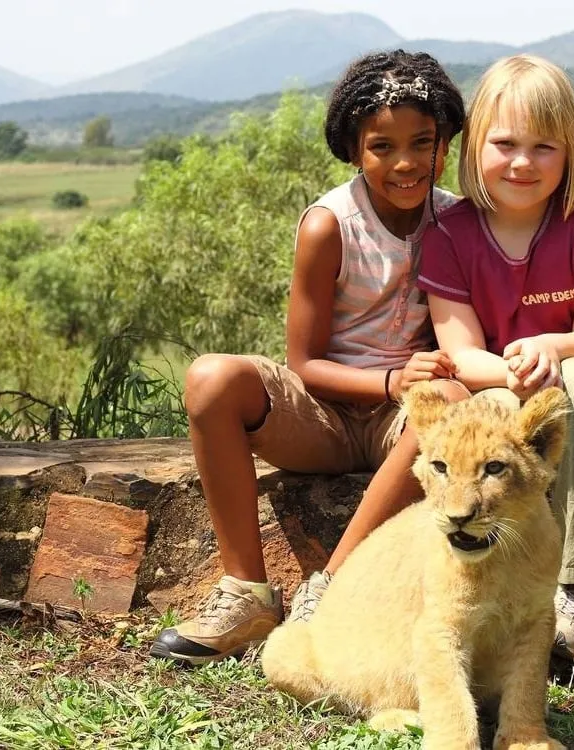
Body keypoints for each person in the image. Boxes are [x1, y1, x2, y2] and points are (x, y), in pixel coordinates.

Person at [149, 50, 468, 666]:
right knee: (213, 378)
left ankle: (332, 589)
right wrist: (390, 378)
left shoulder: (458, 222)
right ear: (353, 150)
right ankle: (246, 592)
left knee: (451, 405)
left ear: (446, 143)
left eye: (422, 143)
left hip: (408, 426)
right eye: (382, 147)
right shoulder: (330, 225)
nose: (405, 162)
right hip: (324, 414)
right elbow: (303, 363)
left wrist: (417, 385)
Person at [417, 53, 574, 667]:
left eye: (544, 147)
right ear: (475, 146)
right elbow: (460, 353)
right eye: (504, 144)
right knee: (501, 407)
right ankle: (501, 572)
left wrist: (551, 348)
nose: (523, 162)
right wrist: (512, 372)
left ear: (572, 152)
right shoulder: (449, 234)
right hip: (494, 391)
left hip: (568, 391)